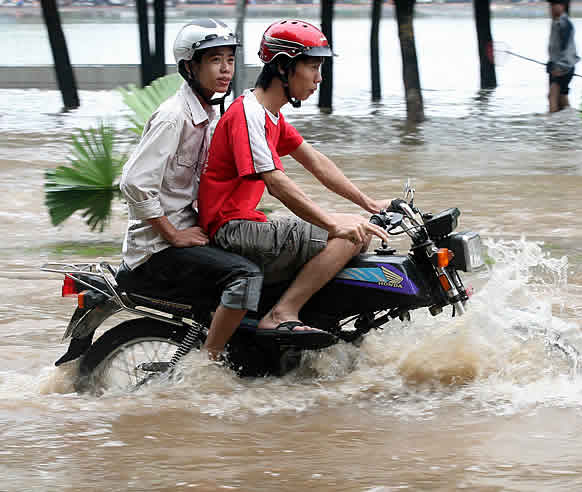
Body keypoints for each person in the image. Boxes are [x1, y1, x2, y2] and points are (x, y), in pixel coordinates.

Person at [198, 19, 390, 346]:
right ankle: (283, 313)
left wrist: (368, 203)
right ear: (284, 67)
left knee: (359, 226)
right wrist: (333, 224)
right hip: (231, 228)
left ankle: (316, 318)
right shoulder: (249, 114)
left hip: (246, 222)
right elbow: (277, 183)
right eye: (312, 67)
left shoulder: (270, 114)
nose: (319, 77)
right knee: (350, 234)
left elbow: (315, 161)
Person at [119, 19, 262, 361]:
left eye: (229, 59)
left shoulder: (209, 114)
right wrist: (173, 234)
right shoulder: (174, 117)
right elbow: (134, 183)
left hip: (187, 232)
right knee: (246, 275)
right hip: (156, 251)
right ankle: (209, 365)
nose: (226, 69)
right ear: (189, 66)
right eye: (215, 60)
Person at [547, 0, 580, 113]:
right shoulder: (556, 22)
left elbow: (567, 49)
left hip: (563, 67)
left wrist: (559, 67)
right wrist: (551, 63)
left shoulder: (564, 23)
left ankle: (552, 126)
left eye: (554, 5)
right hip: (560, 66)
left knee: (552, 96)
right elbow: (555, 49)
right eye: (551, 5)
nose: (551, 8)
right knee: (561, 97)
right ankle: (568, 122)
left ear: (562, 6)